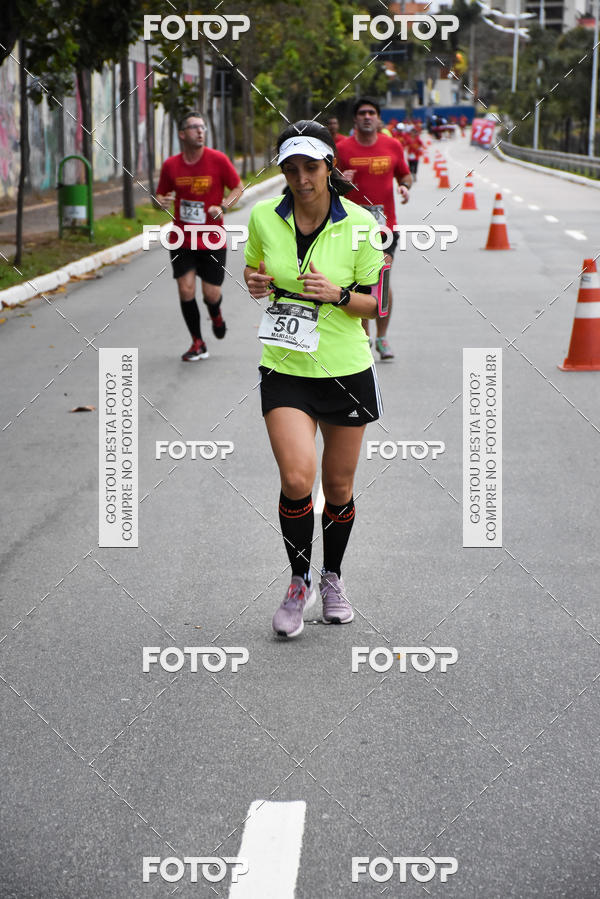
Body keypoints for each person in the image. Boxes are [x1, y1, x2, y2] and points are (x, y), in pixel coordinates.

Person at [244, 121, 385, 639]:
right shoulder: (264, 216)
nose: (301, 178)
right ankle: (298, 580)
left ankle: (333, 578)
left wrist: (339, 296)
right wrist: (256, 282)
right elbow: (254, 273)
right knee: (298, 480)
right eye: (291, 168)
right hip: (286, 367)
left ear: (329, 167)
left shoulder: (361, 224)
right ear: (282, 171)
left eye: (311, 166)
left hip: (346, 370)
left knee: (339, 486)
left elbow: (377, 304)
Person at [156, 111, 244, 362]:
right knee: (185, 290)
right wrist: (160, 201)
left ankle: (216, 314)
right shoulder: (171, 165)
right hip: (182, 239)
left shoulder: (217, 160)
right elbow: (159, 197)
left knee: (210, 294)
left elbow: (237, 187)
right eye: (194, 127)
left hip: (212, 238)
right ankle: (197, 342)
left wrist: (223, 207)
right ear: (182, 134)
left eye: (202, 127)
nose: (200, 131)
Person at [336, 97, 412, 361]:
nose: (367, 117)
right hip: (351, 227)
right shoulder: (342, 148)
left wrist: (404, 186)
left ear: (378, 118)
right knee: (358, 285)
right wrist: (340, 182)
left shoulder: (392, 145)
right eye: (362, 113)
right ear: (355, 119)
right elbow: (326, 183)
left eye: (372, 113)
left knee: (382, 280)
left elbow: (405, 174)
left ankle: (382, 337)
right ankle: (364, 339)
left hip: (385, 228)